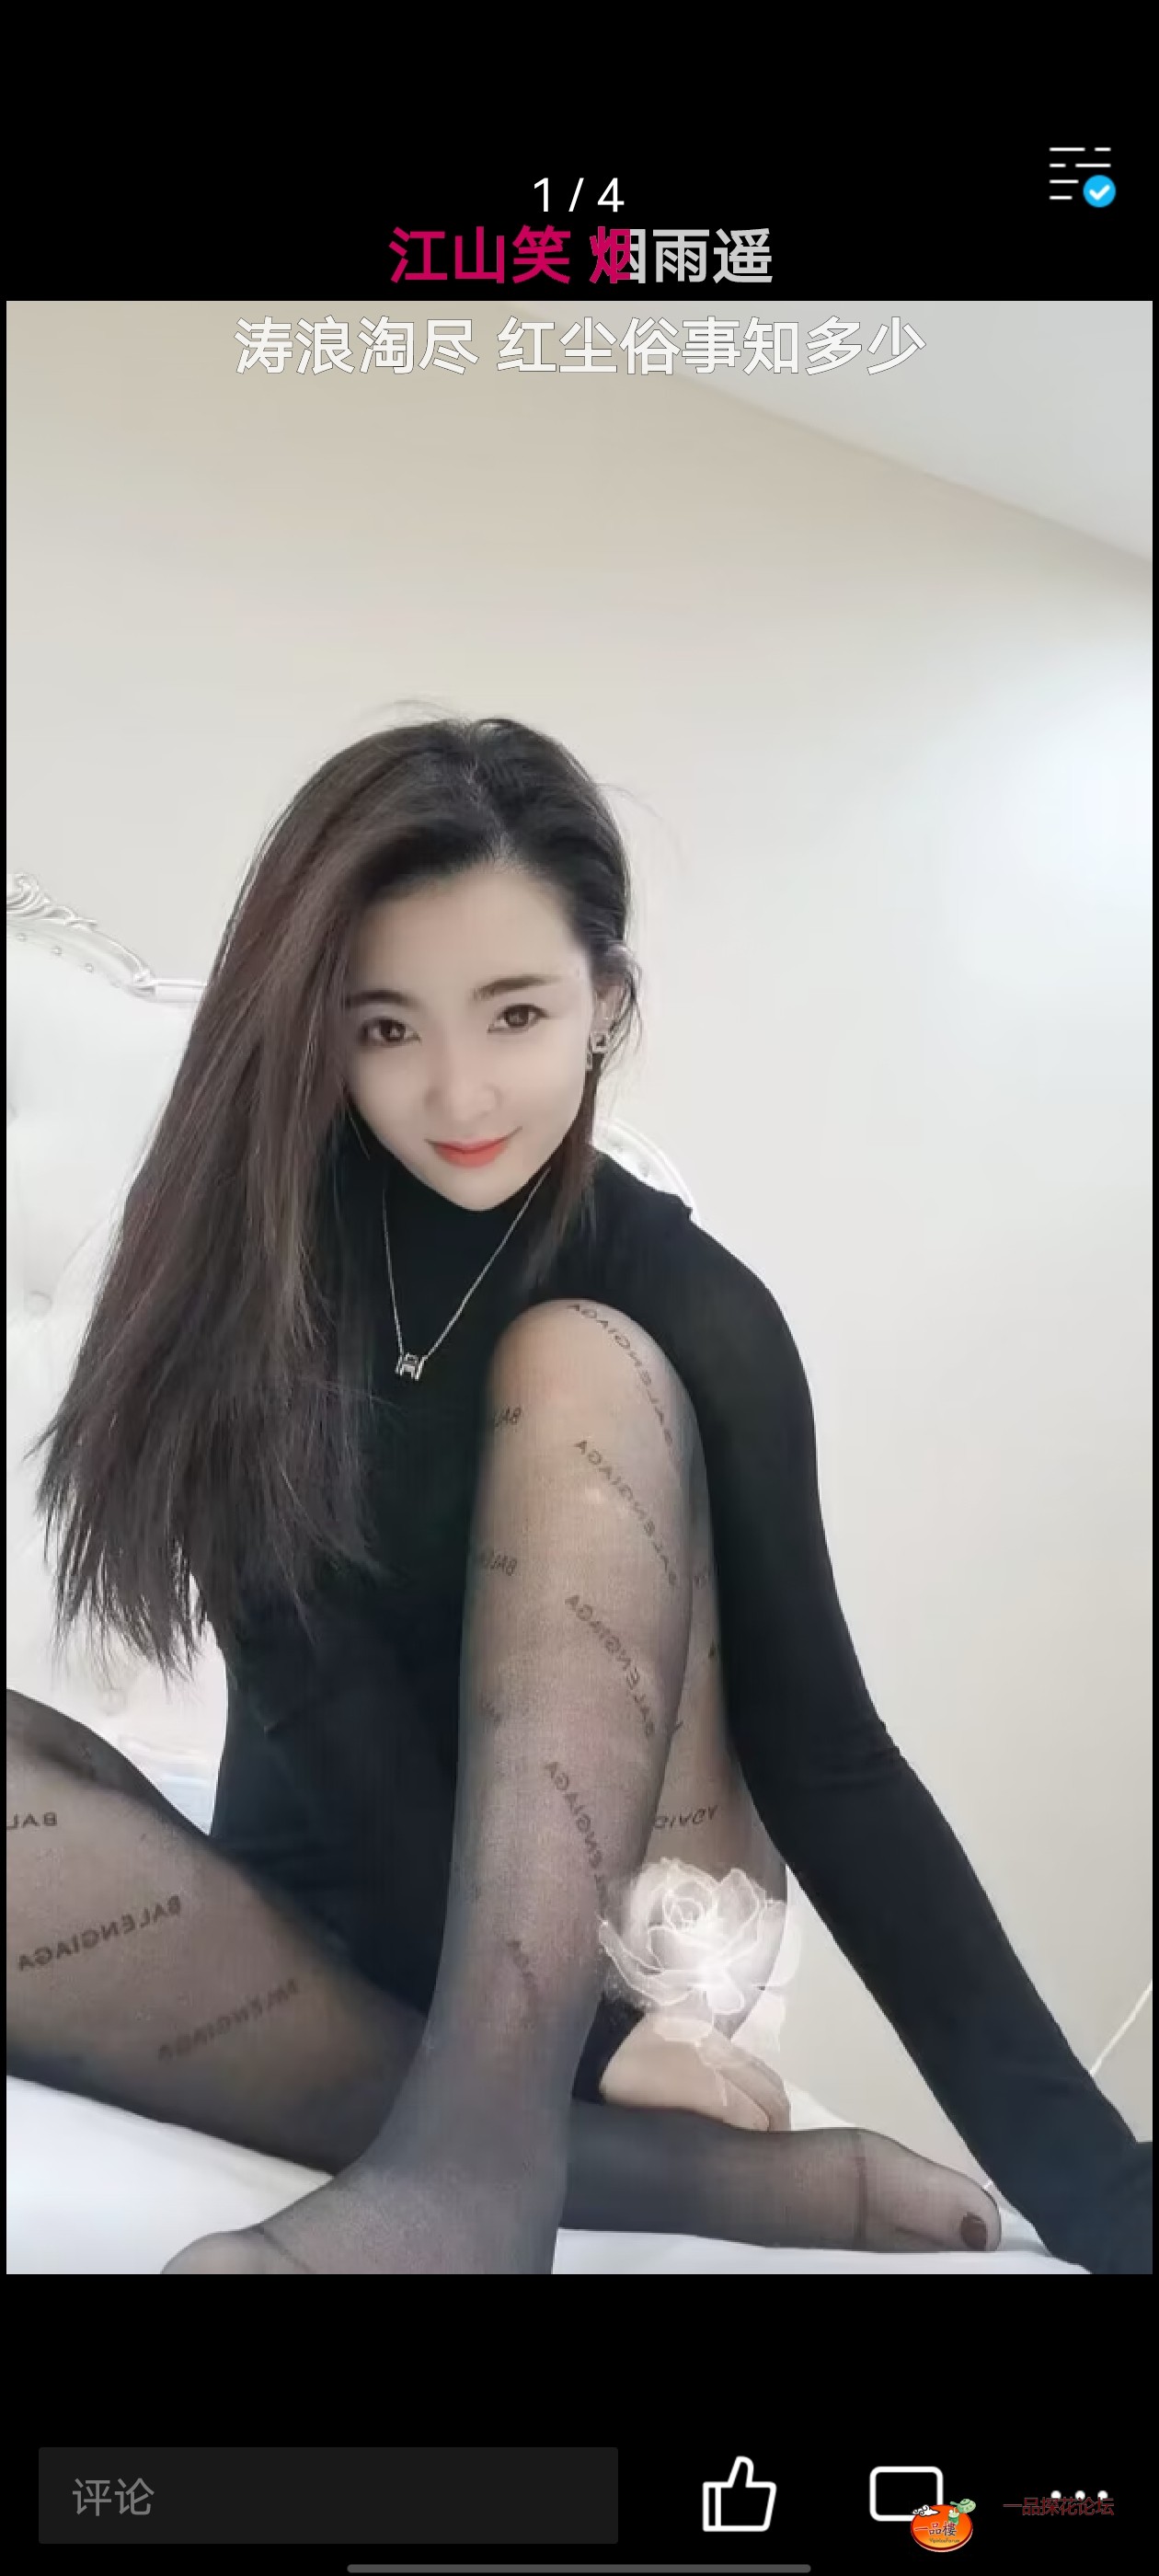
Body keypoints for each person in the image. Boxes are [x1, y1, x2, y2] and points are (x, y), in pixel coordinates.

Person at [9, 717, 1150, 2276]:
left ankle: (475, 2185)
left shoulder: (687, 1300)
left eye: (518, 1013)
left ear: (605, 1004)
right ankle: (629, 2166)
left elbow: (835, 1763)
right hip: (327, 1897)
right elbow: (318, 1706)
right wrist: (603, 2071)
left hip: (601, 1911)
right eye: (387, 1027)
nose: (459, 1088)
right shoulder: (251, 1260)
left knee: (580, 1362)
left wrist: (1102, 2190)